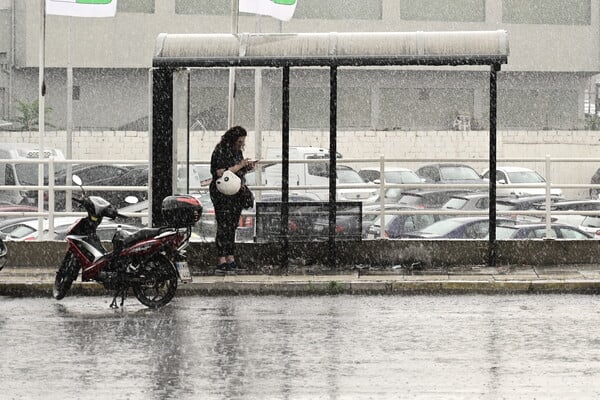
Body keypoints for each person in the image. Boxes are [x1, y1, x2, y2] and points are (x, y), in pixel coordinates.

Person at [209, 126, 257, 274]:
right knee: (224, 224)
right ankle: (222, 258)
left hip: (235, 192)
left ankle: (230, 257)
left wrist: (247, 167)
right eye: (239, 141)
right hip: (222, 193)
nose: (241, 144)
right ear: (233, 140)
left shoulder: (237, 152)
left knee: (232, 225)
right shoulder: (220, 151)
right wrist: (240, 165)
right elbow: (220, 172)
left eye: (242, 142)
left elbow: (238, 171)